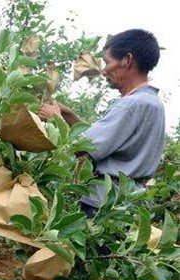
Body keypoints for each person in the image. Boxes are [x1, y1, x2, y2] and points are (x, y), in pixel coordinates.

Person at [38, 29, 165, 216]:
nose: (104, 70)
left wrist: (55, 119)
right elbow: (107, 141)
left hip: (106, 203)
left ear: (127, 60)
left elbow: (82, 147)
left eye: (107, 62)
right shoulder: (152, 103)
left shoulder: (130, 105)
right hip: (131, 202)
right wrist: (70, 115)